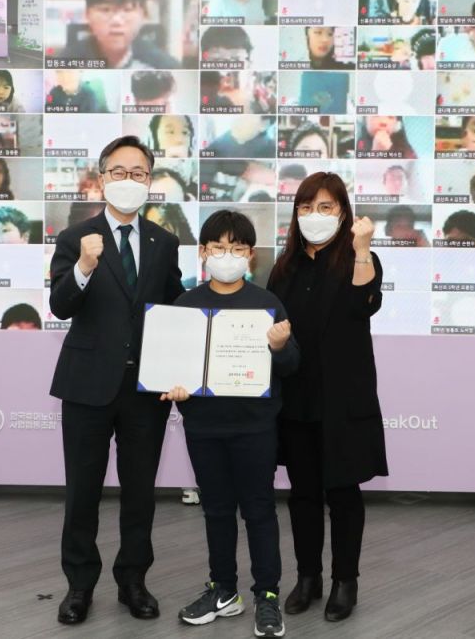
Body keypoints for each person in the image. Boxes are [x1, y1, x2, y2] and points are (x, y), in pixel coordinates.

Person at [48, 135, 184, 626]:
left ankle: (133, 581)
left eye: (139, 173)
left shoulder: (164, 242)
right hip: (87, 384)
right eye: (119, 172)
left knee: (140, 492)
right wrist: (84, 266)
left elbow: (174, 309)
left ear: (150, 180)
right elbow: (60, 305)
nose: (129, 180)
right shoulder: (75, 238)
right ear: (102, 178)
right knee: (82, 491)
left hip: (146, 389)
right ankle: (79, 586)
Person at [161, 210, 299, 638]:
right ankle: (223, 590)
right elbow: (171, 367)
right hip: (203, 427)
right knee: (216, 510)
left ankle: (267, 595)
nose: (228, 256)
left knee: (259, 510)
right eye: (219, 248)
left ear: (250, 255)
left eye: (237, 248)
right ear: (203, 252)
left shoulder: (267, 303)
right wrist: (174, 386)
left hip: (255, 427)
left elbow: (292, 365)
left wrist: (280, 346)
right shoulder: (185, 305)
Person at [266, 172, 387, 623]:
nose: (313, 215)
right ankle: (308, 578)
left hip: (343, 399)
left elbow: (364, 303)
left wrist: (361, 249)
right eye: (305, 207)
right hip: (296, 397)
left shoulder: (359, 259)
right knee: (302, 494)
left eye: (325, 207)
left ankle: (345, 581)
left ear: (343, 213)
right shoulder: (284, 268)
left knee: (343, 493)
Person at [60, 0, 181, 69]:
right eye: (105, 9)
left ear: (144, 15)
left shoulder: (165, 67)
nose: (116, 21)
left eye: (127, 9)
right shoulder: (64, 64)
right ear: (87, 15)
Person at [208, 115, 275, 158]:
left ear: (263, 126)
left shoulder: (271, 151)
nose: (236, 120)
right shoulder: (226, 138)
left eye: (246, 118)